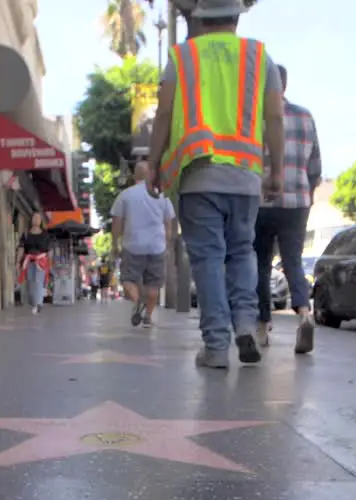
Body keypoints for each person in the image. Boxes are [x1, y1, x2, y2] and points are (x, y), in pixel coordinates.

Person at [146, 0, 285, 369]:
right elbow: (274, 116)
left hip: (197, 172)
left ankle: (216, 346)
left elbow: (163, 112)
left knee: (207, 258)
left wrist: (154, 164)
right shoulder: (260, 57)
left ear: (200, 19)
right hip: (244, 173)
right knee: (241, 251)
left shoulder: (182, 58)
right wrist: (278, 170)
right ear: (237, 16)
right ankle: (245, 323)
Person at [255, 64, 322, 354]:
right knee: (292, 260)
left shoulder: (255, 118)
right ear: (285, 84)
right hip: (297, 201)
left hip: (262, 201)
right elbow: (316, 165)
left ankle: (262, 326)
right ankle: (305, 314)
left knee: (259, 263)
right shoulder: (305, 115)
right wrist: (308, 191)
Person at [112, 161, 176, 328]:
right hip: (156, 246)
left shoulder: (125, 195)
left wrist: (115, 244)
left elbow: (117, 222)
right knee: (153, 284)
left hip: (133, 245)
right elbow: (168, 223)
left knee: (127, 279)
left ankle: (136, 301)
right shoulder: (162, 195)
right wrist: (167, 243)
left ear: (135, 176)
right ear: (150, 175)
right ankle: (148, 317)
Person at [17, 212, 51, 314]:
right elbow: (21, 248)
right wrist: (18, 262)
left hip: (41, 261)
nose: (36, 220)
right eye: (34, 218)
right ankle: (35, 302)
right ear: (31, 220)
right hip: (29, 261)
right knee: (30, 283)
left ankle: (38, 304)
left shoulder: (45, 235)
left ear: (41, 221)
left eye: (38, 218)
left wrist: (49, 263)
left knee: (38, 282)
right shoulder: (26, 234)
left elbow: (48, 251)